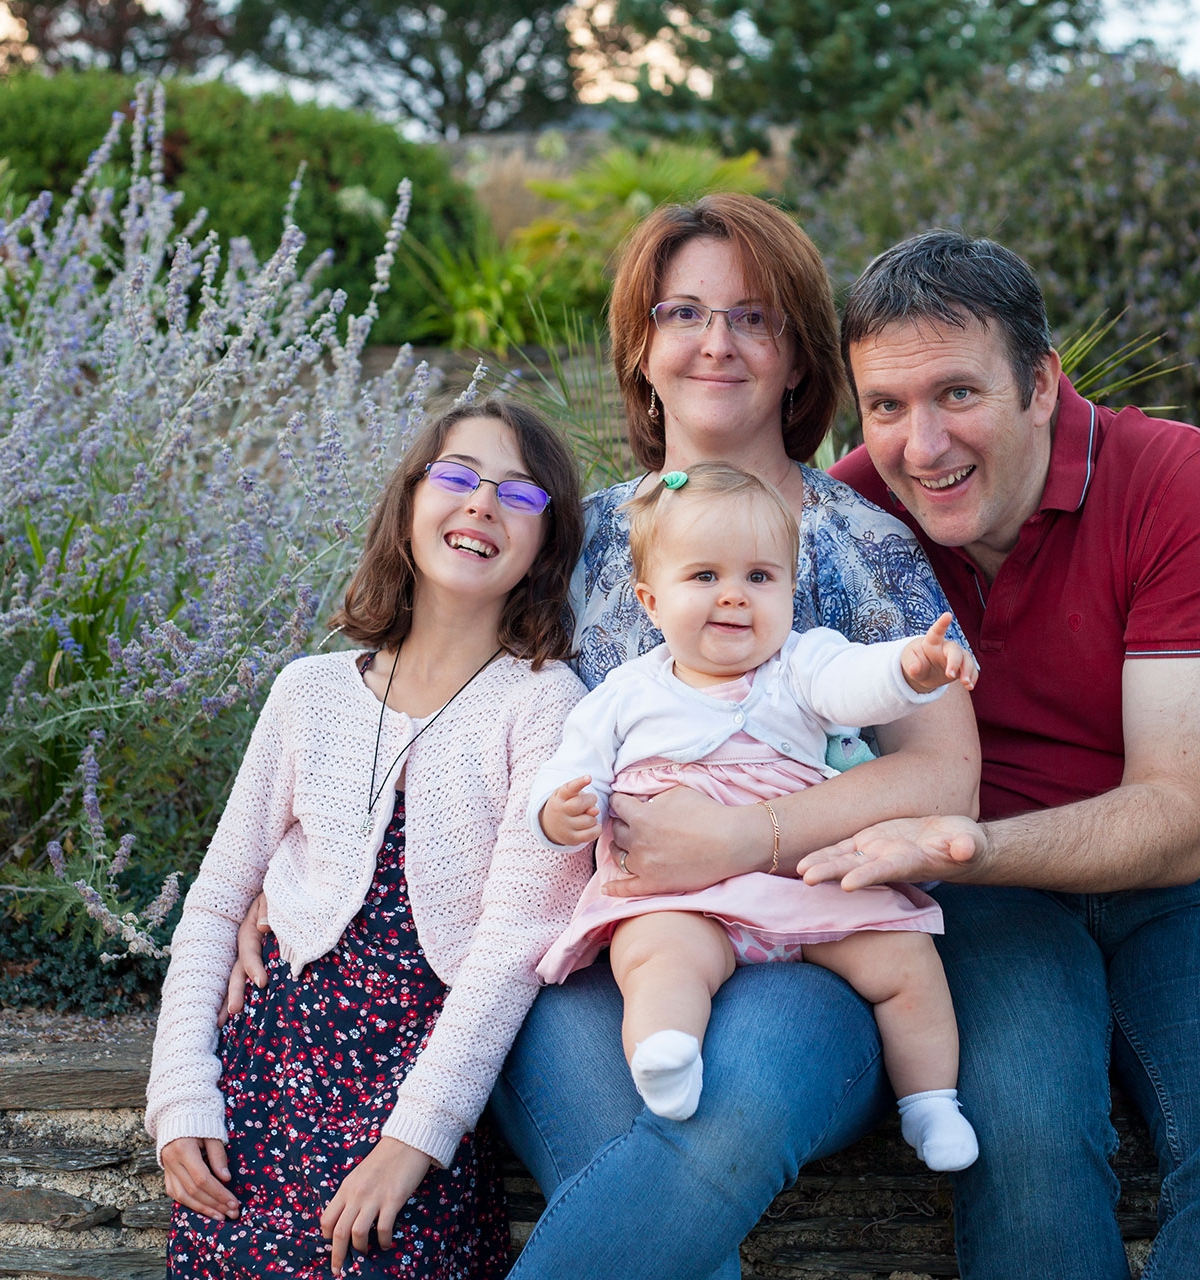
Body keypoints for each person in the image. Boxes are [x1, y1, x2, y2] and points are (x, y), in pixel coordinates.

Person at [228, 196, 979, 1280]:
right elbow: (447, 711)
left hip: (811, 943)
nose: (716, 341)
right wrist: (310, 862)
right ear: (639, 347)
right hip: (600, 945)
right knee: (632, 1156)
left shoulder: (864, 543)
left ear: (798, 358)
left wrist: (751, 835)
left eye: (753, 317)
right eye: (683, 312)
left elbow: (948, 775)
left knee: (718, 1119)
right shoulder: (576, 545)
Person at [805, 229, 1200, 1278]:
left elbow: (1180, 820)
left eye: (957, 393)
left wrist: (968, 843)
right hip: (984, 905)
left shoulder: (1177, 483)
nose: (922, 445)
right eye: (886, 406)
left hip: (1188, 887)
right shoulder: (855, 512)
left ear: (1042, 384)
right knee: (1024, 1144)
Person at [145, 398, 590, 1279]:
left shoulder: (543, 705)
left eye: (519, 494)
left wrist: (415, 1139)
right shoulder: (308, 693)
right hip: (265, 1082)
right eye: (458, 476)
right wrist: (181, 1095)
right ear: (409, 503)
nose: (482, 504)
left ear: (547, 544)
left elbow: (514, 940)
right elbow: (216, 903)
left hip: (418, 1082)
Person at [532, 462, 981, 1171]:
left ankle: (930, 1102)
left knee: (906, 959)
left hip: (799, 879)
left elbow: (856, 683)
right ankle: (666, 1052)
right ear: (651, 601)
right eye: (704, 576)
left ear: (789, 590)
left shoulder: (801, 663)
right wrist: (558, 811)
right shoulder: (625, 692)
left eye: (760, 577)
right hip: (682, 895)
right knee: (656, 957)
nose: (734, 596)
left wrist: (909, 670)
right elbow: (573, 765)